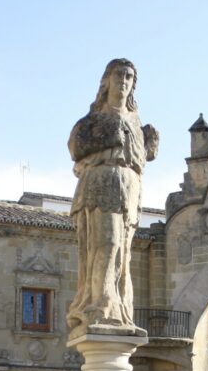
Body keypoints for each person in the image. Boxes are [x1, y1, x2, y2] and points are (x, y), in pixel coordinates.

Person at [67, 58, 158, 334]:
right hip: (101, 185)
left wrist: (148, 146)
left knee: (122, 253)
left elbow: (139, 159)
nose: (124, 80)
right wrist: (110, 136)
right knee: (104, 245)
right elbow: (76, 147)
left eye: (130, 77)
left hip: (129, 191)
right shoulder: (93, 121)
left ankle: (119, 308)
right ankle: (98, 306)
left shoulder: (136, 122)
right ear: (106, 81)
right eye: (119, 74)